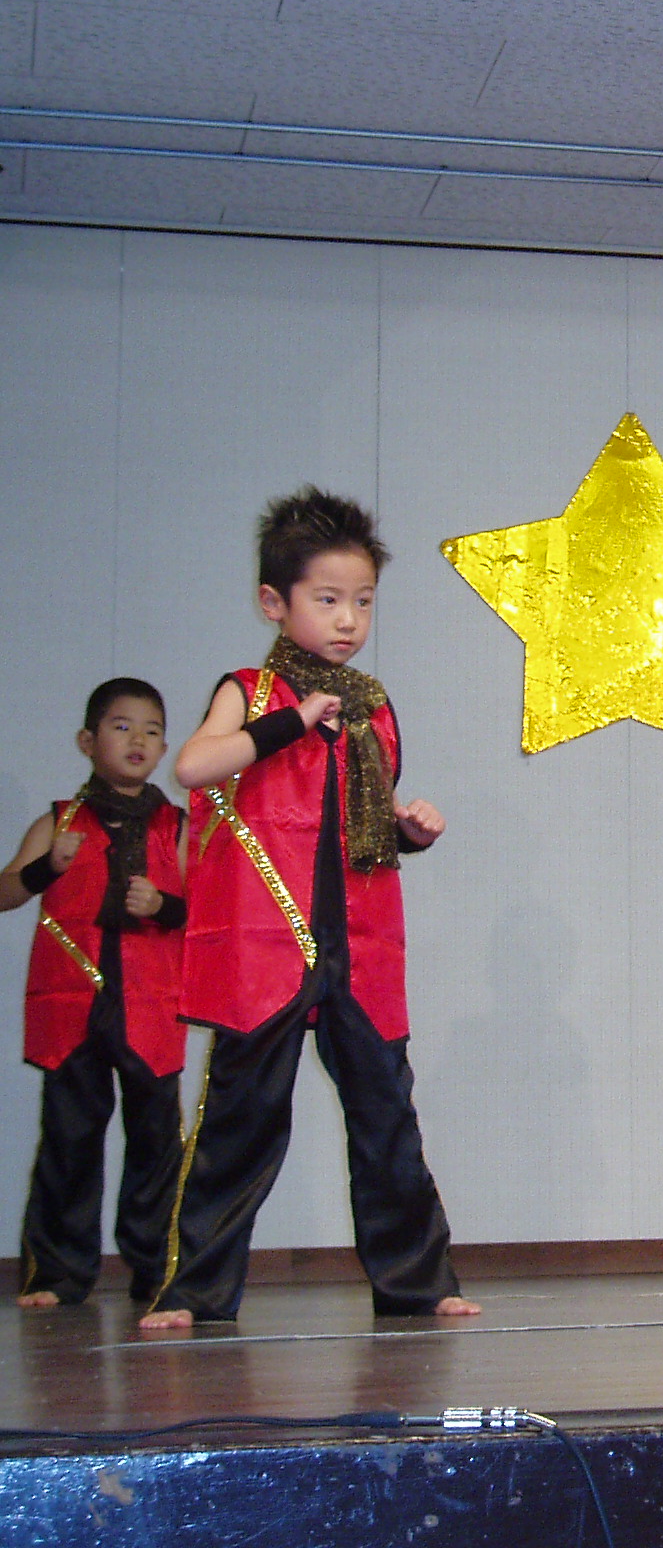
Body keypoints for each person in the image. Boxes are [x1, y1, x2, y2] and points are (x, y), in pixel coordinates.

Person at [139, 488, 478, 1327]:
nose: (348, 620)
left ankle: (417, 1281)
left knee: (386, 1115)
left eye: (362, 601)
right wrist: (289, 723)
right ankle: (195, 1292)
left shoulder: (371, 707)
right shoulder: (251, 691)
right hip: (267, 944)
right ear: (274, 602)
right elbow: (194, 767)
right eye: (327, 599)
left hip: (358, 944)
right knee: (241, 1120)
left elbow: (361, 821)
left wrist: (409, 829)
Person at [1, 679, 188, 1307]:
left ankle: (157, 1268)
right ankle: (57, 1274)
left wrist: (164, 906)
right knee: (69, 1138)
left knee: (157, 1142)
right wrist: (44, 868)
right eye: (121, 726)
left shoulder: (177, 827)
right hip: (73, 1003)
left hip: (150, 1003)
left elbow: (208, 912)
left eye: (153, 730)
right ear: (87, 741)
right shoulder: (57, 822)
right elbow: (5, 893)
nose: (138, 740)